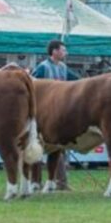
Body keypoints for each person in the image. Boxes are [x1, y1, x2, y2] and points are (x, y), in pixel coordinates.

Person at [31, 39, 70, 190]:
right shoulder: (42, 67)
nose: (65, 53)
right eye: (63, 50)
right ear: (54, 51)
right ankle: (36, 181)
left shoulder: (63, 67)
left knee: (57, 148)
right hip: (42, 112)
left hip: (59, 111)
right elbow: (32, 85)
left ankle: (58, 181)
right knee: (38, 146)